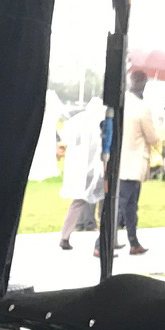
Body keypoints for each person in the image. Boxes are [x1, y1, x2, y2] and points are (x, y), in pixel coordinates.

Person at [115, 68, 159, 256]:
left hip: (119, 163)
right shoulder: (142, 108)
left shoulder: (121, 103)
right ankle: (101, 243)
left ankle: (133, 242)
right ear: (143, 84)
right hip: (133, 164)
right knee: (125, 206)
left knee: (127, 206)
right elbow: (152, 137)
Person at [57, 96, 104, 249]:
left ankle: (65, 236)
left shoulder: (79, 121)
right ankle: (106, 235)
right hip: (98, 170)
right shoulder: (99, 123)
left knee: (78, 202)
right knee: (104, 202)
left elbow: (68, 139)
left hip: (81, 170)